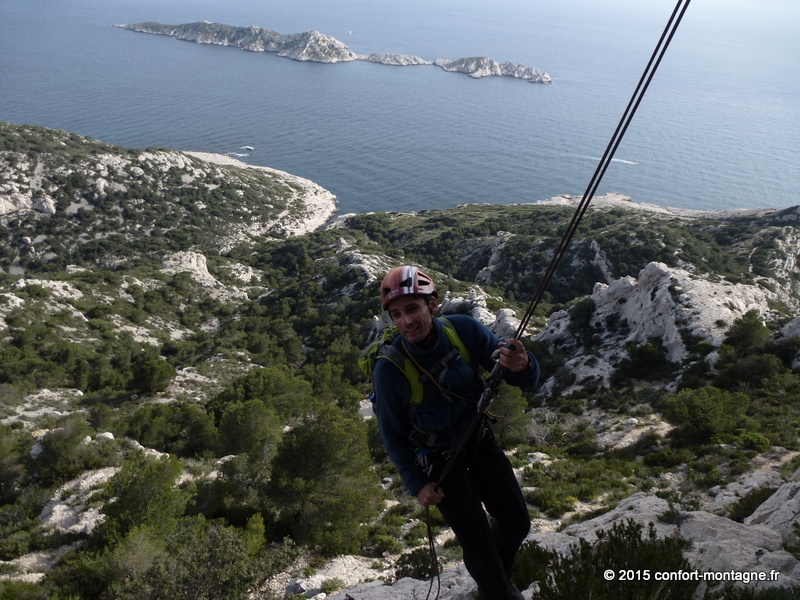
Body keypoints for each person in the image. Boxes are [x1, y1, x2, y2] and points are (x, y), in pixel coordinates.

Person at [372, 265, 540, 600]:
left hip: (478, 441)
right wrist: (416, 484)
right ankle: (497, 591)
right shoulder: (389, 368)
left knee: (516, 522)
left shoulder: (462, 330)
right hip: (439, 462)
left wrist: (523, 364)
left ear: (432, 306)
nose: (405, 322)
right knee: (477, 542)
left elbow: (515, 373)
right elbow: (392, 433)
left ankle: (498, 579)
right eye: (396, 314)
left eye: (412, 309)